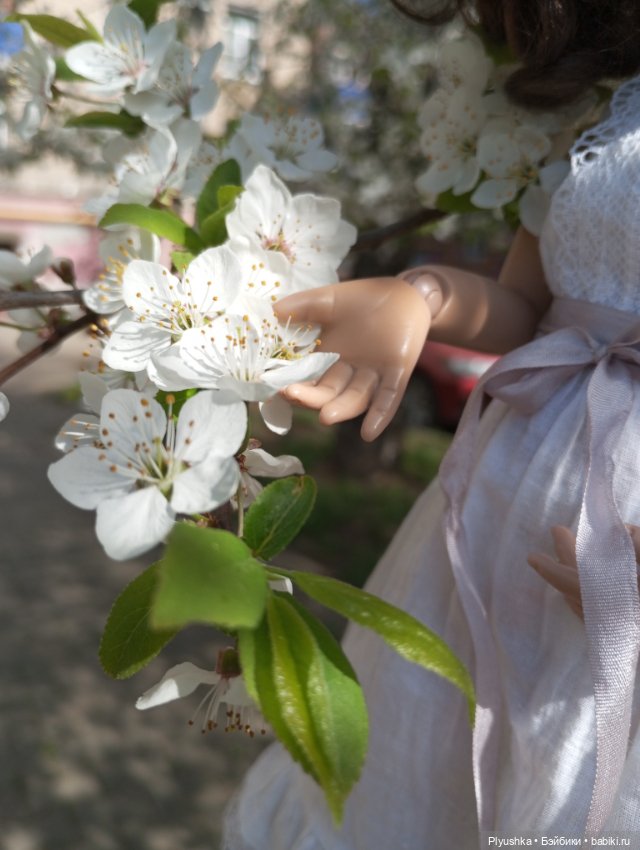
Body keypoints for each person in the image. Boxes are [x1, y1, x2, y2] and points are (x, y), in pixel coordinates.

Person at [223, 1, 640, 846]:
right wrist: (422, 295)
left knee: (575, 756)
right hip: (486, 527)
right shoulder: (608, 119)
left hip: (615, 570)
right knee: (423, 740)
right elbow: (527, 305)